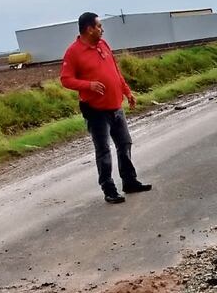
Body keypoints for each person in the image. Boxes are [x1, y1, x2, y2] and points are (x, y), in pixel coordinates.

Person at [60, 12, 151, 203]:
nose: (102, 29)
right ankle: (109, 189)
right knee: (103, 150)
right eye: (99, 26)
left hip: (115, 106)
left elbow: (115, 71)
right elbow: (65, 79)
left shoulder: (103, 45)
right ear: (89, 29)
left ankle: (129, 181)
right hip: (95, 110)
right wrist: (88, 85)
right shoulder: (73, 51)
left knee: (124, 143)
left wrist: (127, 92)